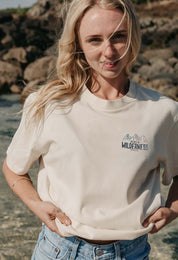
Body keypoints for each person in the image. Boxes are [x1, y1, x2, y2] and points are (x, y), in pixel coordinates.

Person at [2, 0, 178, 259]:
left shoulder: (164, 112)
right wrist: (36, 205)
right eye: (94, 40)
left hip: (132, 252)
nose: (109, 51)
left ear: (133, 37)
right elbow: (13, 168)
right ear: (78, 45)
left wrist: (173, 208)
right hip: (57, 250)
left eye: (118, 36)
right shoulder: (48, 105)